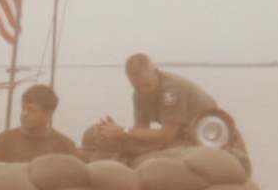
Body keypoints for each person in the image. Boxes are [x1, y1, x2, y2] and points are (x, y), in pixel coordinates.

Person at [98, 53, 252, 173]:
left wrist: (123, 131)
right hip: (185, 134)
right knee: (136, 151)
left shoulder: (171, 90)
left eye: (147, 85)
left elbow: (167, 135)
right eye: (136, 86)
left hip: (214, 136)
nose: (143, 91)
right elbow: (140, 130)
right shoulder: (138, 94)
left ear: (155, 72)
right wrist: (118, 135)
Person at [0, 84, 78, 163]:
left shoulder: (65, 146)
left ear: (48, 114)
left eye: (32, 110)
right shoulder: (4, 141)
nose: (24, 114)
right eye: (23, 108)